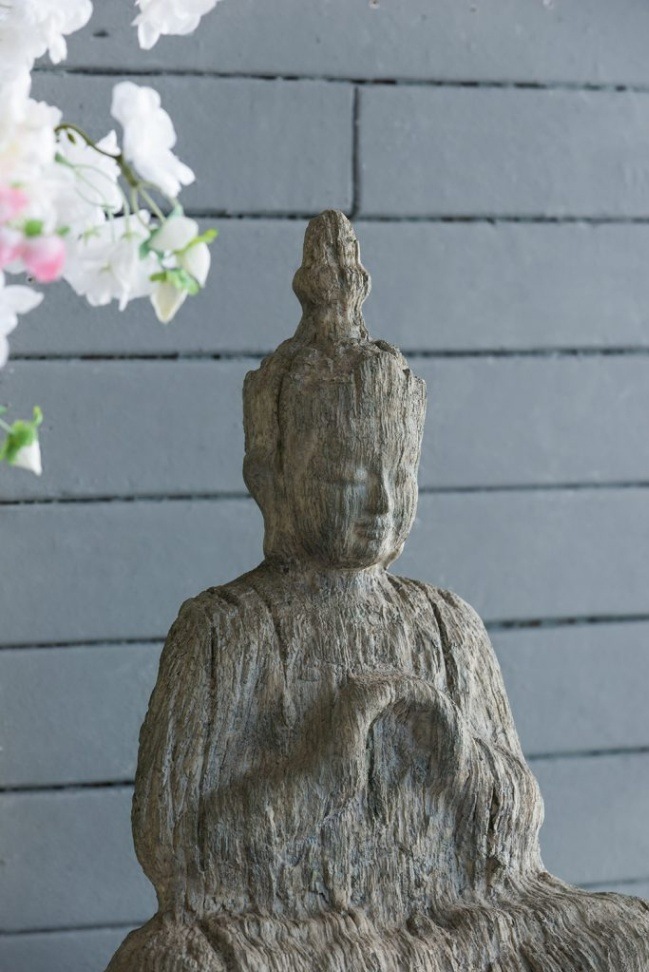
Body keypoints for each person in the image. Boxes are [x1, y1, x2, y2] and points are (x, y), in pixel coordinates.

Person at [107, 211, 649, 972]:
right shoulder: (227, 630)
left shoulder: (446, 624)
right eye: (346, 478)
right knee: (175, 962)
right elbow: (178, 851)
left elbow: (519, 830)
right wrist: (320, 770)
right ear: (270, 478)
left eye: (399, 476)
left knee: (623, 935)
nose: (382, 503)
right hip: (286, 930)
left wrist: (457, 752)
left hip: (463, 916)